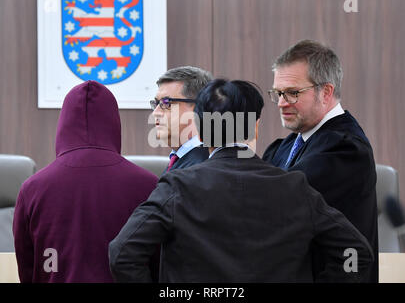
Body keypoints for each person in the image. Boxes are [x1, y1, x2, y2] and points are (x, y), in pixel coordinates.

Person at [109, 79, 374, 283]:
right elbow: (356, 252)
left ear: (200, 128)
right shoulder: (295, 188)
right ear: (255, 126)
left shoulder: (178, 187)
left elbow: (123, 253)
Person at [13, 80, 158, 282]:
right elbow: (158, 263)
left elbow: (28, 267)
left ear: (63, 122)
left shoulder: (32, 189)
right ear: (113, 122)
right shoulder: (149, 185)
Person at [262, 40, 379, 282]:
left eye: (292, 92)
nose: (282, 102)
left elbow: (274, 204)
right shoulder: (284, 147)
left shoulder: (346, 149)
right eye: (278, 93)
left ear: (325, 92)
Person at [151, 66, 213, 173]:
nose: (155, 112)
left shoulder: (203, 168)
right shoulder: (180, 159)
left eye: (167, 103)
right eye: (156, 103)